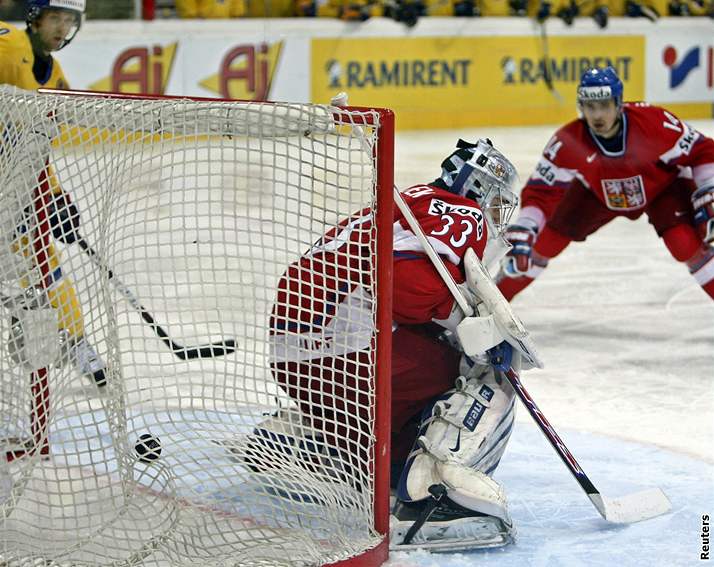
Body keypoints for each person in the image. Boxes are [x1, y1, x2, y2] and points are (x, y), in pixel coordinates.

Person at [228, 138, 526, 550]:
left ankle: (318, 447)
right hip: (345, 349)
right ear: (479, 190)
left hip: (298, 354)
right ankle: (431, 499)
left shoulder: (414, 201)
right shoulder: (463, 212)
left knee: (410, 422)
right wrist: (466, 328)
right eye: (496, 203)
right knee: (482, 371)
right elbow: (405, 286)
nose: (495, 215)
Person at [498, 66, 714, 303]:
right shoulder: (568, 142)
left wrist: (709, 185)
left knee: (683, 244)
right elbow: (541, 191)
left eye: (604, 105)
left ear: (619, 104)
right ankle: (489, 306)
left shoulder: (655, 124)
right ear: (581, 107)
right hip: (597, 191)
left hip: (661, 185)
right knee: (542, 244)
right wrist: (527, 226)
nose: (597, 115)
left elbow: (703, 151)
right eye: (590, 107)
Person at [0, 0, 106, 386]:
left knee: (46, 267)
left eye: (69, 20)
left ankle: (73, 342)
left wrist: (54, 195)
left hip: (15, 191)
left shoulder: (55, 75)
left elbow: (36, 147)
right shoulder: (9, 43)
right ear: (34, 18)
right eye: (55, 18)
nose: (62, 27)